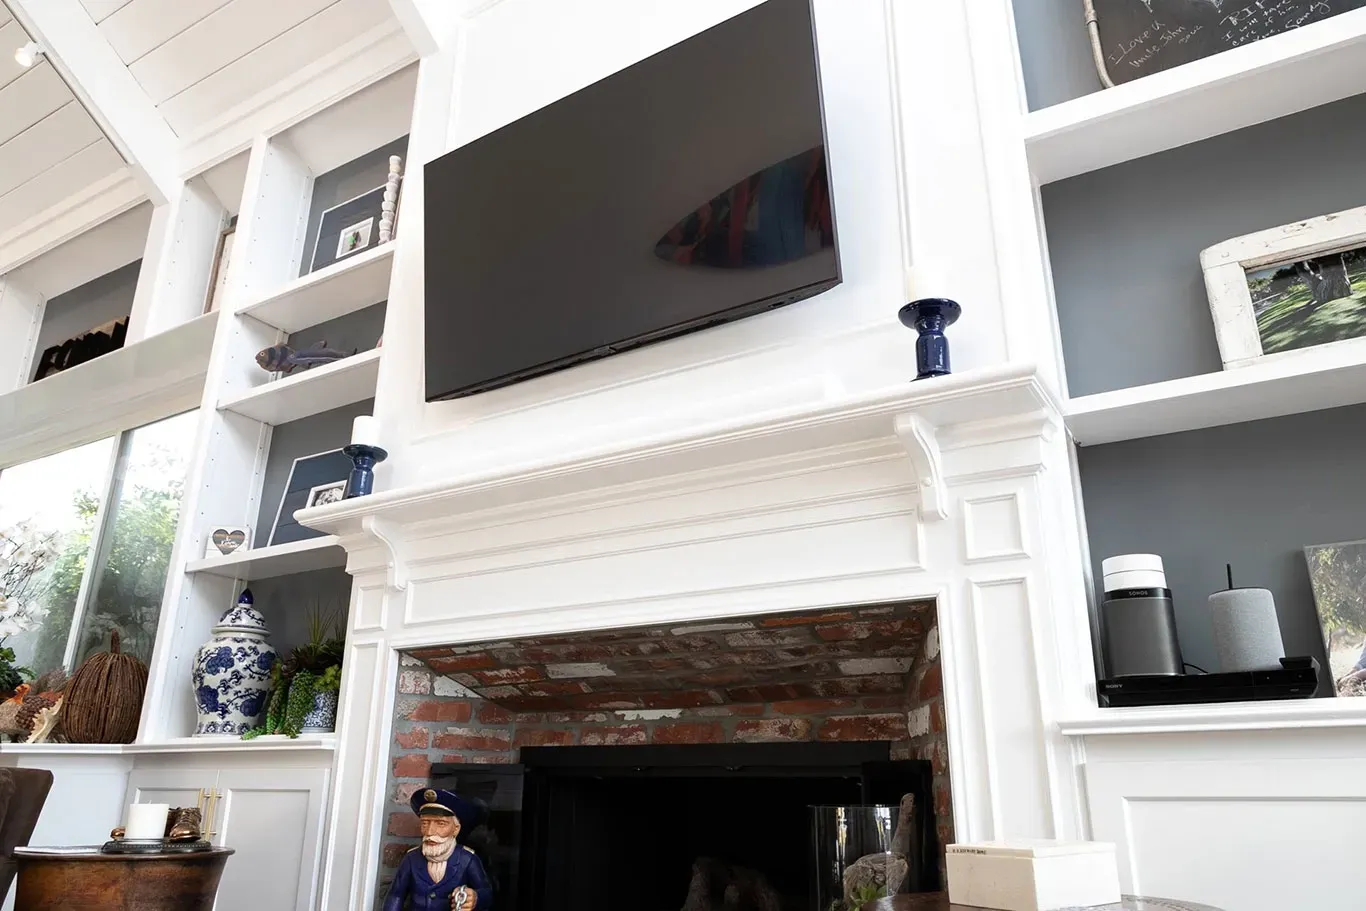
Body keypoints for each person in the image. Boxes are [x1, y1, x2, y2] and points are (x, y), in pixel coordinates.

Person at [381, 788, 493, 911]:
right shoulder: (411, 858)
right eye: (425, 823)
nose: (430, 832)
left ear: (456, 829)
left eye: (441, 824)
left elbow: (487, 893)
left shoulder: (467, 859)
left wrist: (475, 898)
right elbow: (396, 895)